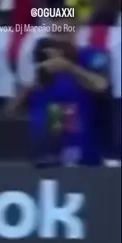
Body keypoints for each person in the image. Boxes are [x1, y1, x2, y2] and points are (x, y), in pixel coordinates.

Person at [7, 24, 110, 166]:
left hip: (83, 153)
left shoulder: (92, 56)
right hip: (45, 153)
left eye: (63, 32)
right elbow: (11, 111)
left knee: (62, 110)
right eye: (55, 33)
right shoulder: (40, 65)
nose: (59, 39)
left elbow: (101, 86)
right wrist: (33, 80)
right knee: (55, 111)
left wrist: (69, 67)